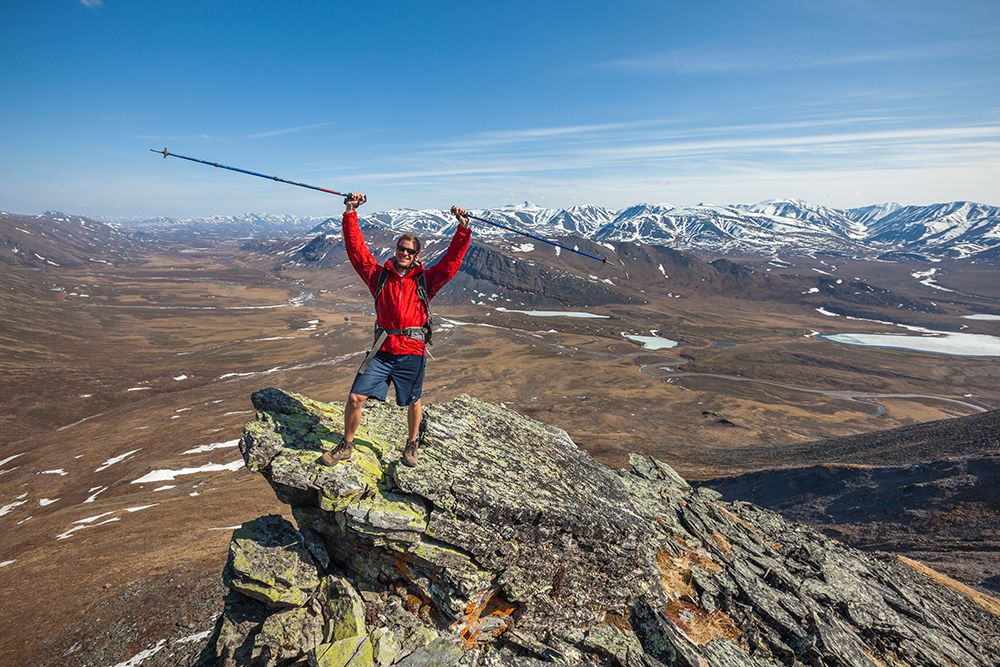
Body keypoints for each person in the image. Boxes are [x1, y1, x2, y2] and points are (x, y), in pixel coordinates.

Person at [320, 192, 472, 467]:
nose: (405, 253)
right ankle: (347, 444)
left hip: (412, 351)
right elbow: (357, 253)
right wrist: (350, 212)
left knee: (413, 401)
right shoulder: (379, 276)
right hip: (382, 350)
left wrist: (462, 230)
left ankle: (412, 444)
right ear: (396, 249)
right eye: (402, 248)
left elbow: (451, 264)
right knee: (356, 397)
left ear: (416, 256)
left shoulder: (426, 280)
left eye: (410, 251)